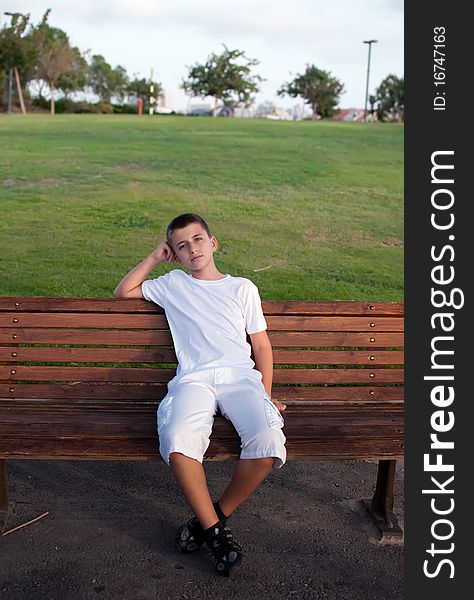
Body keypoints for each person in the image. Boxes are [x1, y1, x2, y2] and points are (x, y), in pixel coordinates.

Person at [114, 213, 287, 576]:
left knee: (269, 442)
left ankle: (210, 521)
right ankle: (217, 536)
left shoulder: (242, 288)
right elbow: (124, 291)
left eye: (197, 240)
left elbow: (261, 345)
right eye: (181, 245)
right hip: (194, 379)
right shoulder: (173, 284)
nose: (191, 248)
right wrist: (153, 258)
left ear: (213, 243)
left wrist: (266, 393)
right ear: (174, 254)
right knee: (178, 439)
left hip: (241, 379)